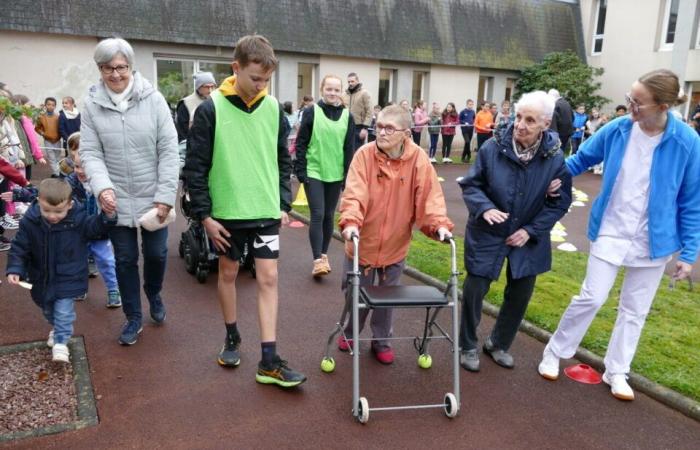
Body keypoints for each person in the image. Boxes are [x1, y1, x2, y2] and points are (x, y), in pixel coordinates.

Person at [538, 69, 700, 401]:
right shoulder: (618, 129)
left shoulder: (687, 142)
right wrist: (554, 178)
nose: (630, 107)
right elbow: (581, 158)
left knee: (635, 309)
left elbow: (691, 200)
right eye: (630, 99)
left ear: (663, 105)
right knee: (592, 296)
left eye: (638, 103)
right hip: (611, 229)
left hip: (655, 240)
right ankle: (555, 351)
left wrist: (689, 253)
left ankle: (617, 370)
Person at [184, 34, 306, 388]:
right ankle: (232, 336)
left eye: (266, 80)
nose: (261, 86)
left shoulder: (273, 111)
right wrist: (204, 216)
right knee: (228, 274)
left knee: (268, 278)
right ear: (235, 68)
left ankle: (269, 359)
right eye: (255, 78)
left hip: (265, 211)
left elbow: (284, 160)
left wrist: (283, 202)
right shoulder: (210, 110)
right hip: (226, 215)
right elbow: (195, 168)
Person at [458, 90, 572, 372]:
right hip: (489, 230)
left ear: (545, 124)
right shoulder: (492, 148)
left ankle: (498, 343)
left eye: (530, 120)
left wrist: (531, 231)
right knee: (475, 288)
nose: (520, 125)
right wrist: (484, 208)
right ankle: (467, 345)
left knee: (520, 292)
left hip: (527, 235)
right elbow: (471, 184)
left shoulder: (554, 158)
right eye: (519, 117)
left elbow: (560, 202)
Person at [79, 37, 179, 346]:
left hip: (153, 198)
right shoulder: (92, 105)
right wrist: (103, 188)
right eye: (107, 68)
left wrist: (164, 196)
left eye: (121, 67)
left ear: (131, 67)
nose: (116, 74)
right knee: (124, 259)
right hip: (116, 200)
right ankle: (133, 317)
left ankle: (154, 292)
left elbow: (169, 149)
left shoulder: (154, 99)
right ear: (100, 70)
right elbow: (91, 153)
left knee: (157, 254)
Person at [338, 104, 454, 364]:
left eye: (389, 128)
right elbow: (354, 193)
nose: (381, 132)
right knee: (354, 293)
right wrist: (351, 222)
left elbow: (429, 196)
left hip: (395, 244)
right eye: (378, 126)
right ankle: (349, 331)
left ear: (406, 133)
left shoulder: (419, 159)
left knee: (386, 299)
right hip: (361, 242)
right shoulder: (364, 155)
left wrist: (438, 224)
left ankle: (382, 340)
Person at [5, 178, 117, 362]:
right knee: (47, 308)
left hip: (69, 275)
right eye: (46, 210)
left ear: (70, 205)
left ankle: (61, 343)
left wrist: (108, 216)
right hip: (41, 276)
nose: (52, 216)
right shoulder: (30, 221)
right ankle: (57, 329)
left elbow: (97, 229)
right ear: (39, 202)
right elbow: (19, 247)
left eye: (58, 211)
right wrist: (15, 268)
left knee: (64, 310)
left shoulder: (78, 219)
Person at [294, 74, 354, 277]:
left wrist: (348, 175)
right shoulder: (312, 112)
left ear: (341, 92)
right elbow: (301, 142)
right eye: (329, 89)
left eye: (337, 90)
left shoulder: (348, 116)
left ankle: (324, 254)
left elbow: (348, 148)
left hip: (335, 173)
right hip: (314, 171)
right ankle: (317, 260)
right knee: (318, 214)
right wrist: (301, 170)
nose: (332, 93)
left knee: (329, 215)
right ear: (322, 89)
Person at [175, 71, 216, 142]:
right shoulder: (186, 103)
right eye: (206, 87)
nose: (210, 90)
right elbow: (182, 133)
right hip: (194, 148)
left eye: (212, 86)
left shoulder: (216, 101)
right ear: (198, 87)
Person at [343, 73, 372, 150]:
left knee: (357, 150)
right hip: (346, 126)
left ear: (357, 81)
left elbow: (369, 111)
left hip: (359, 127)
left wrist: (365, 128)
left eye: (352, 81)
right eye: (348, 82)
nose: (350, 83)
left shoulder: (364, 93)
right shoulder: (344, 94)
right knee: (346, 149)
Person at [35, 97, 62, 177]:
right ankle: (58, 174)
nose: (51, 106)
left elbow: (61, 127)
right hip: (48, 140)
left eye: (53, 105)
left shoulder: (58, 117)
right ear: (45, 105)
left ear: (55, 106)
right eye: (49, 104)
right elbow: (37, 128)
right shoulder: (41, 117)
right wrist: (43, 134)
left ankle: (55, 172)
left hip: (57, 140)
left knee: (57, 158)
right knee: (51, 158)